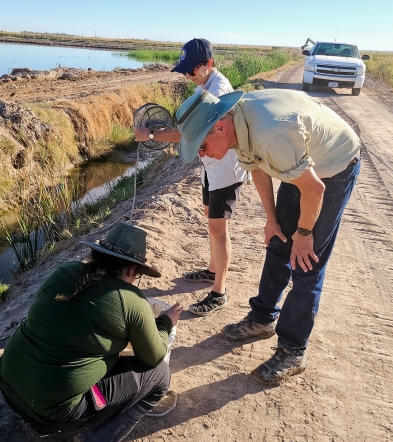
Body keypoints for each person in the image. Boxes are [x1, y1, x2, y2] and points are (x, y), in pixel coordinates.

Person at [173, 88, 361, 385]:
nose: (202, 155)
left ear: (219, 127)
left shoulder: (271, 135)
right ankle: (262, 319)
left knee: (306, 261)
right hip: (299, 157)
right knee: (277, 242)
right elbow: (259, 168)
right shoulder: (236, 126)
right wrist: (272, 220)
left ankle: (293, 350)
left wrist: (304, 233)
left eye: (201, 146)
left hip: (333, 166)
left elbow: (314, 190)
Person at [0, 222, 182, 441]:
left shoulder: (62, 272)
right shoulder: (131, 299)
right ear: (132, 270)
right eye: (137, 275)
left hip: (9, 387)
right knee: (160, 375)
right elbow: (153, 356)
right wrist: (164, 323)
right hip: (53, 416)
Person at [134, 38, 246, 317]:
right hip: (211, 167)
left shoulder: (217, 91)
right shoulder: (204, 85)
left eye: (192, 70)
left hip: (225, 170)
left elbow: (187, 134)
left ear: (209, 64)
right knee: (211, 220)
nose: (187, 75)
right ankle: (211, 270)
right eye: (184, 70)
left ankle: (218, 292)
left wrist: (150, 135)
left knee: (219, 230)